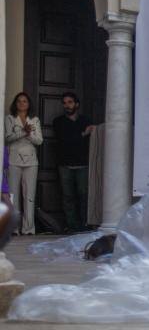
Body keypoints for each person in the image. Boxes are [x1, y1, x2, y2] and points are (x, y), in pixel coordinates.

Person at [52, 92, 95, 232]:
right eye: (64, 103)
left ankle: (85, 225)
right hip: (65, 164)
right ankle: (72, 226)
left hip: (83, 163)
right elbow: (64, 141)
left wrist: (83, 134)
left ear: (77, 104)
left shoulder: (86, 120)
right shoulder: (58, 122)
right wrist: (83, 134)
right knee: (68, 196)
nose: (67, 105)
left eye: (70, 102)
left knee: (84, 195)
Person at [5, 92, 43, 234]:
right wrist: (23, 132)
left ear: (28, 104)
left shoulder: (34, 120)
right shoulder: (9, 119)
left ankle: (29, 229)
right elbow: (7, 138)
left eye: (25, 101)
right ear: (15, 104)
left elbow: (39, 141)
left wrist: (28, 134)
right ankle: (13, 228)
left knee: (29, 196)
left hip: (31, 161)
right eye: (19, 101)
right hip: (13, 160)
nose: (22, 103)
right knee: (13, 195)